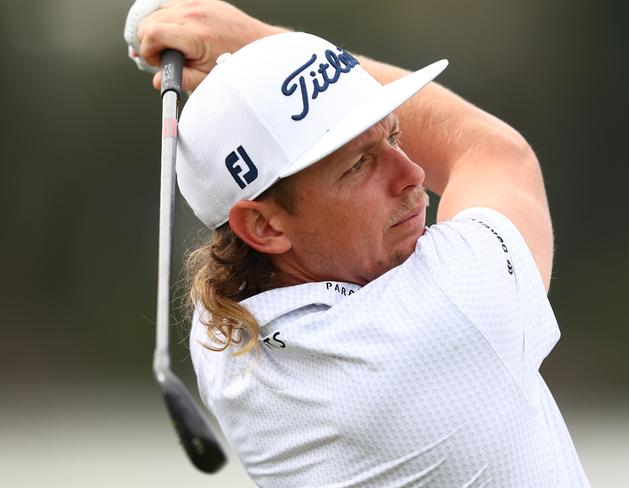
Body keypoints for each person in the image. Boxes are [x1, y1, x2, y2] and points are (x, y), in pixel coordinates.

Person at [127, 1, 591, 486]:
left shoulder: (221, 336)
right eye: (359, 165)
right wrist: (254, 40)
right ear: (264, 227)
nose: (412, 175)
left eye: (394, 135)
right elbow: (492, 153)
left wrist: (259, 78)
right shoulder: (449, 313)